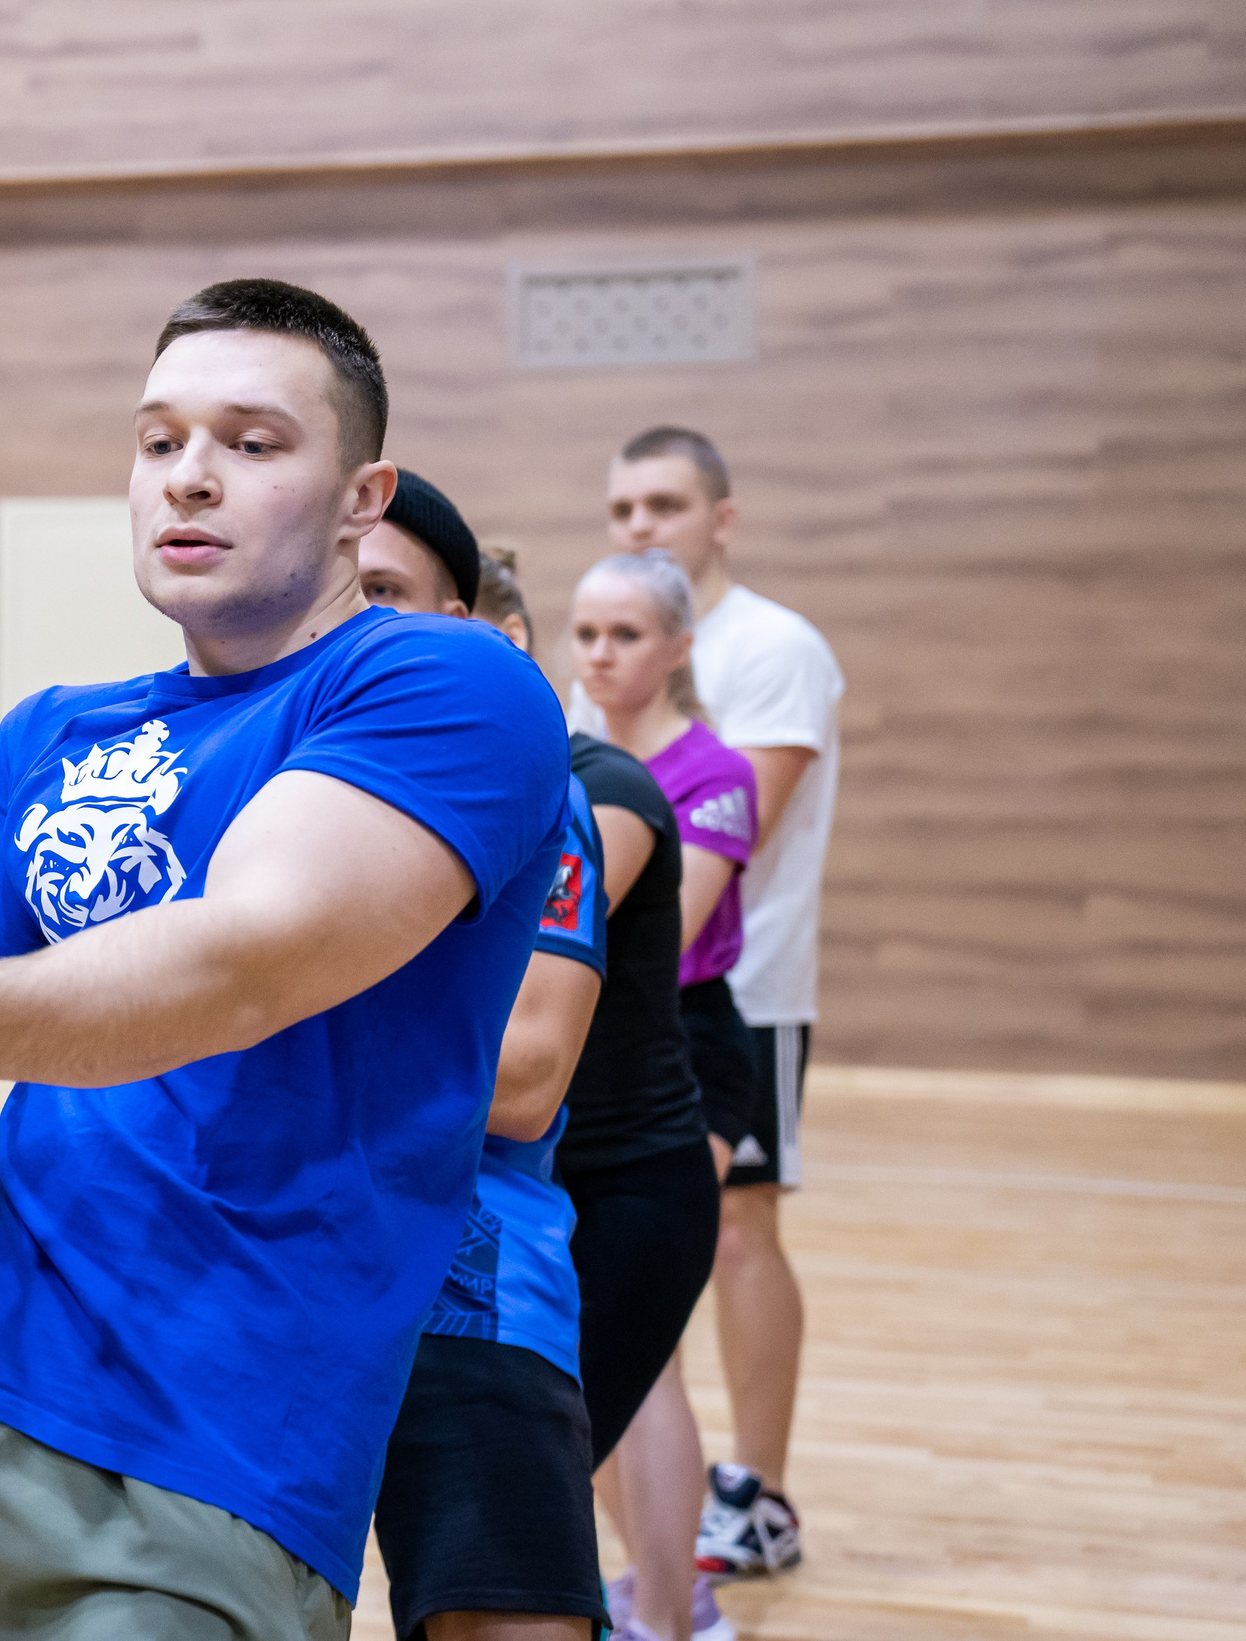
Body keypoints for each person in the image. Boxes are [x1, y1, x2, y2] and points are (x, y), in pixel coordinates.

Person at [0, 280, 567, 1638]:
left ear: (360, 496)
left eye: (253, 442)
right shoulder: (55, 732)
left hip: (213, 1448)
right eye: (159, 442)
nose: (190, 480)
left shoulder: (448, 687)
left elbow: (247, 958)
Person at [574, 427, 843, 1574]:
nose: (641, 524)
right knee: (647, 1266)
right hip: (623, 1010)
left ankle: (762, 1491)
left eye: (665, 503)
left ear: (719, 517)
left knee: (740, 1226)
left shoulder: (773, 646)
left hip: (740, 985)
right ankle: (658, 1534)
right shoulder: (594, 670)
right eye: (624, 506)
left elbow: (720, 835)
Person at [355, 499, 613, 1641]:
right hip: (264, 1281)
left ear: (461, 626)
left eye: (383, 594)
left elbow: (526, 1079)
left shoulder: (538, 793)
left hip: (468, 1285)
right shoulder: (248, 781)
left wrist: (263, 1002)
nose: (352, 628)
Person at [570, 548, 760, 1641]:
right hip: (591, 1057)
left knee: (650, 1343)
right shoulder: (572, 758)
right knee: (607, 1340)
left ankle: (669, 1600)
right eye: (587, 631)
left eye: (627, 633)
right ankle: (648, 1570)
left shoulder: (709, 772)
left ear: (678, 648)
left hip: (682, 1048)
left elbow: (654, 943)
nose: (600, 652)